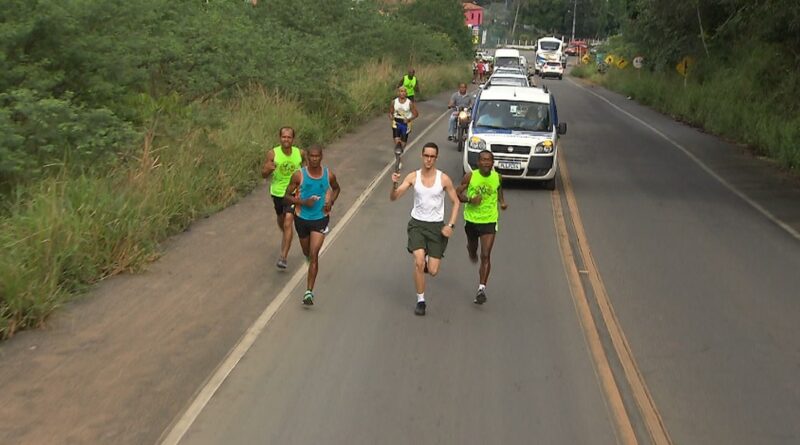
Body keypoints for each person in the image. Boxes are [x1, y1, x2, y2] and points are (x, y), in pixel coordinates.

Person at [390, 142, 460, 316]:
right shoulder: (413, 176)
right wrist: (394, 184)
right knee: (419, 262)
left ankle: (428, 258)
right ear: (422, 156)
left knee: (433, 271)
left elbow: (456, 202)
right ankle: (421, 301)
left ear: (436, 158)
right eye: (426, 156)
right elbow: (394, 197)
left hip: (437, 227)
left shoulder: (443, 179)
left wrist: (450, 225)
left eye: (432, 156)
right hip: (417, 225)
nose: (428, 159)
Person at [284, 145, 341, 305]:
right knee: (307, 252)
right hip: (301, 218)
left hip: (320, 218)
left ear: (321, 157)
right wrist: (303, 202)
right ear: (307, 157)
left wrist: (331, 201)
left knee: (314, 254)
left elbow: (336, 188)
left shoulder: (328, 175)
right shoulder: (298, 175)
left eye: (317, 156)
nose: (314, 159)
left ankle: (309, 292)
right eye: (312, 156)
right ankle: (308, 258)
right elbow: (286, 197)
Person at [456, 150, 507, 305]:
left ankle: (481, 289)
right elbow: (457, 193)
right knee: (473, 248)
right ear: (478, 163)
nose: (486, 162)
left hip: (489, 220)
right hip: (471, 220)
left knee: (485, 255)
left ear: (493, 163)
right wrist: (470, 200)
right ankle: (471, 250)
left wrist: (502, 202)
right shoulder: (470, 176)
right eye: (483, 160)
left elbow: (499, 192)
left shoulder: (497, 177)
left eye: (489, 160)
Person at [261, 127, 306, 270]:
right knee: (282, 221)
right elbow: (263, 174)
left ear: (293, 139)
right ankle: (287, 234)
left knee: (288, 222)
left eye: (289, 137)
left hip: (293, 193)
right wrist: (267, 169)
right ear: (280, 138)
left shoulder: (300, 153)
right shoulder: (273, 153)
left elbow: (306, 169)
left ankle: (283, 257)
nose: (286, 140)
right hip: (277, 193)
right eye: (284, 137)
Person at [389, 86, 419, 151]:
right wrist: (391, 117)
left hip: (406, 124)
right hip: (396, 123)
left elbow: (416, 114)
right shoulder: (394, 102)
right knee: (397, 142)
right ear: (398, 93)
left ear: (406, 93)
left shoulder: (409, 103)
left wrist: (409, 119)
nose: (402, 93)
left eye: (404, 91)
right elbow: (390, 113)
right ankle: (398, 153)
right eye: (401, 91)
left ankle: (400, 153)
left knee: (403, 144)